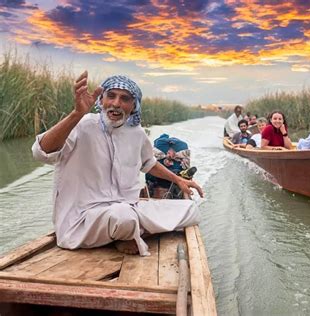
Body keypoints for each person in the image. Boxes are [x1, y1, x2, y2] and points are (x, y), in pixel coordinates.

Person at [32, 71, 203, 256]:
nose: (116, 104)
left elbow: (149, 163)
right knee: (123, 217)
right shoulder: (82, 125)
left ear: (133, 105)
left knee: (190, 210)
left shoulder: (136, 133)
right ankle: (127, 234)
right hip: (84, 219)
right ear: (102, 99)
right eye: (111, 96)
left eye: (124, 99)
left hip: (128, 207)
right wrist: (76, 114)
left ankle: (127, 232)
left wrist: (178, 180)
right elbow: (41, 152)